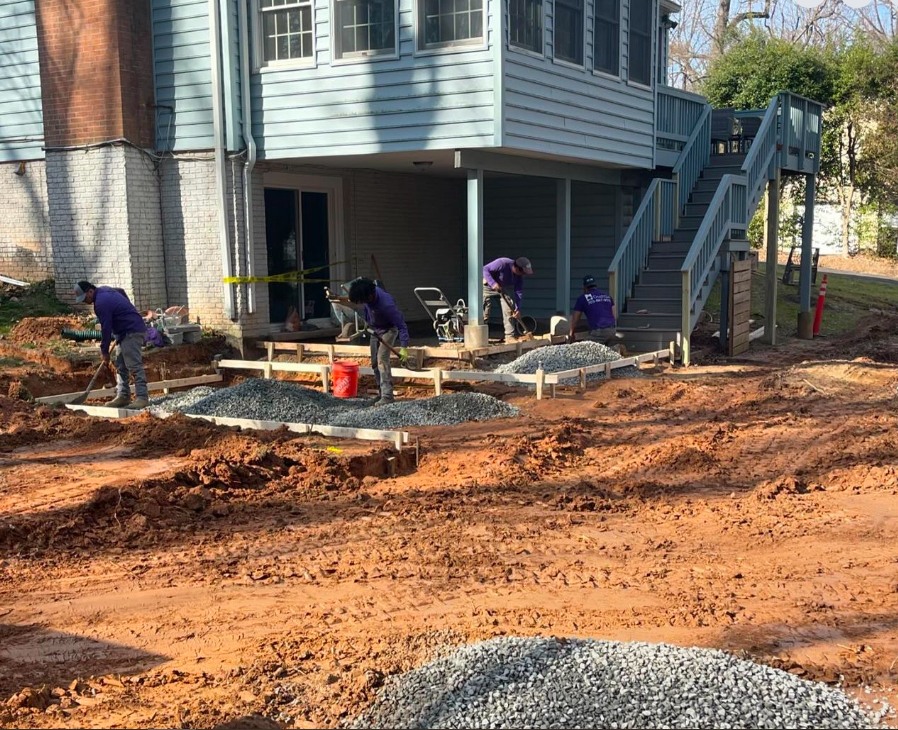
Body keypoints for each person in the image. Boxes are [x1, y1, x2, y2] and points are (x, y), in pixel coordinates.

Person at [74, 281, 149, 409]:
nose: (84, 301)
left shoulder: (101, 303)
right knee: (121, 365)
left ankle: (142, 398)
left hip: (131, 330)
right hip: (124, 331)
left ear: (90, 291)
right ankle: (123, 396)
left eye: (85, 298)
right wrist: (127, 310)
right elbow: (120, 291)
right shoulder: (105, 290)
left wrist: (104, 351)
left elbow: (106, 328)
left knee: (133, 365)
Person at [348, 277, 409, 407]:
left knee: (382, 359)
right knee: (375, 363)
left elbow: (401, 326)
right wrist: (367, 322)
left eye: (363, 300)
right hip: (374, 329)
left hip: (389, 329)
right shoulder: (367, 295)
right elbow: (366, 308)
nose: (362, 303)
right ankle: (381, 394)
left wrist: (404, 347)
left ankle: (388, 396)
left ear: (370, 296)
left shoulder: (387, 304)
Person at [482, 257, 533, 342]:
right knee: (485, 310)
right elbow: (485, 269)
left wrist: (517, 308)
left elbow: (518, 291)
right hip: (487, 285)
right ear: (516, 268)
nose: (523, 275)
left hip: (501, 288)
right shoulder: (502, 263)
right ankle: (481, 337)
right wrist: (493, 283)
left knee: (509, 308)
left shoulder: (519, 276)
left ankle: (510, 336)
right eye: (522, 272)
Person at [568, 275, 617, 346]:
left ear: (585, 288)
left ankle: (616, 349)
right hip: (612, 330)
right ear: (595, 285)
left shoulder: (583, 298)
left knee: (582, 348)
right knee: (601, 349)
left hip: (600, 331)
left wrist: (571, 334)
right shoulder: (607, 296)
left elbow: (575, 320)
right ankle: (614, 349)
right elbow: (614, 315)